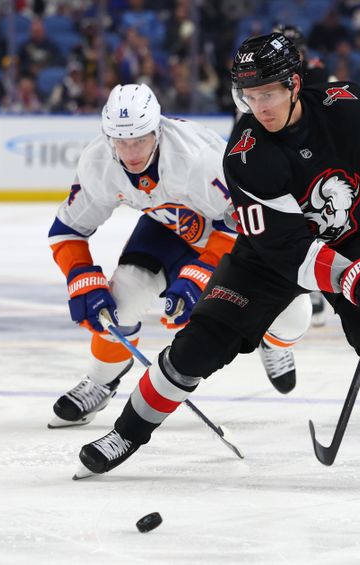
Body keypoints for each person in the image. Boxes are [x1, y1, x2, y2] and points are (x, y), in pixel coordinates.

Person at [74, 33, 360, 482]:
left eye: (268, 93)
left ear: (293, 84)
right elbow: (289, 249)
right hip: (268, 258)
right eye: (249, 95)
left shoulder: (348, 107)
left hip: (351, 239)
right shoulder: (246, 157)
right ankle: (126, 433)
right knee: (198, 344)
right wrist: (353, 279)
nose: (259, 107)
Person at [47, 83, 311, 429]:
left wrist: (202, 272)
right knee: (120, 299)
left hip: (239, 236)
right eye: (121, 141)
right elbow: (67, 230)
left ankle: (271, 339)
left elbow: (246, 222)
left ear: (157, 130)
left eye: (139, 139)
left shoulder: (198, 158)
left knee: (295, 316)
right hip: (168, 230)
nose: (130, 152)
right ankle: (100, 381)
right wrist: (80, 275)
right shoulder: (99, 161)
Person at [274, 23, 333, 326]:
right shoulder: (266, 72)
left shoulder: (316, 72)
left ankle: (317, 285)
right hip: (279, 151)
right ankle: (298, 284)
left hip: (309, 150)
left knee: (315, 215)